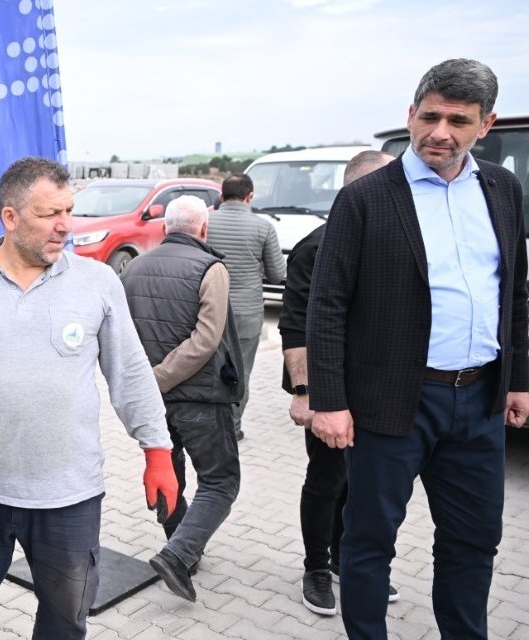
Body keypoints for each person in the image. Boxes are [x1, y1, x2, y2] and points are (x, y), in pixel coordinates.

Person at [0, 157, 178, 639]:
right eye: (48, 214)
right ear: (11, 217)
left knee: (65, 621)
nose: (65, 226)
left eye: (68, 210)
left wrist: (157, 450)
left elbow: (130, 374)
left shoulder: (98, 284)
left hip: (69, 496)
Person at [308, 58, 528, 639]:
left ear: (486, 125)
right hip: (391, 404)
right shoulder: (366, 199)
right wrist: (328, 399)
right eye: (430, 116)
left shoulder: (503, 191)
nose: (441, 132)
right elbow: (326, 304)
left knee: (474, 538)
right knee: (369, 539)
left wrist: (519, 377)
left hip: (480, 400)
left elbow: (515, 294)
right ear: (410, 114)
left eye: (459, 120)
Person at [280, 150, 395, 616]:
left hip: (381, 388)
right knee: (327, 481)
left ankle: (350, 561)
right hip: (330, 389)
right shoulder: (316, 247)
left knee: (363, 484)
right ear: (355, 190)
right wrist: (305, 393)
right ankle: (316, 567)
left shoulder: (393, 241)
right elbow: (295, 325)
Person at [119, 195, 244, 603]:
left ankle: (183, 548)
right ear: (203, 228)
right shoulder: (212, 267)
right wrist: (160, 378)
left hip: (150, 402)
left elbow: (121, 339)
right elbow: (207, 340)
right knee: (221, 481)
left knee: (166, 474)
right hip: (200, 398)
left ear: (164, 227)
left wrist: (144, 384)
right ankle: (179, 553)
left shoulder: (131, 268)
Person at [206, 173, 286, 440]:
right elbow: (277, 274)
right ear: (250, 197)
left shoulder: (206, 222)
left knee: (206, 367)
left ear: (221, 196)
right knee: (241, 371)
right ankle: (232, 427)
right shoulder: (263, 228)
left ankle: (205, 423)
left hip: (207, 309)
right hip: (247, 313)